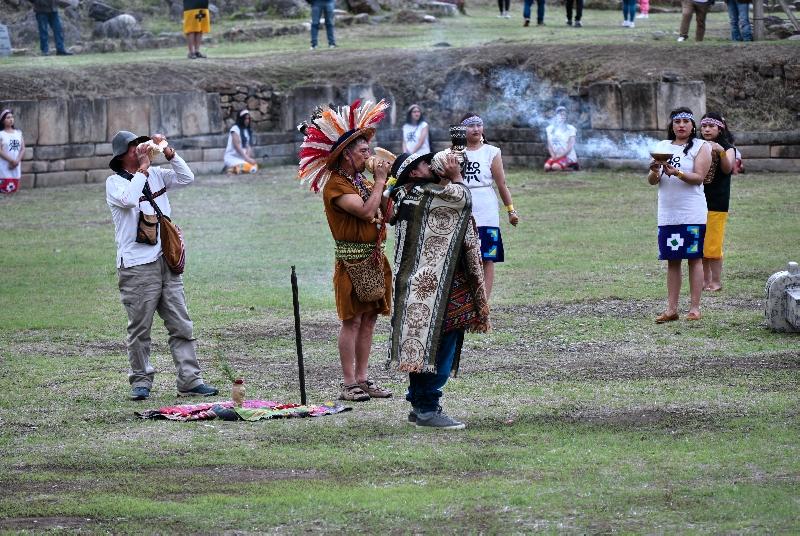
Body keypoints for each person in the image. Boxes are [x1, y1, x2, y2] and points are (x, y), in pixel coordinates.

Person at [105, 130, 218, 400]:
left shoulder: (157, 174)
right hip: (136, 267)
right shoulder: (114, 183)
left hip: (165, 261)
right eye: (134, 147)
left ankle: (190, 380)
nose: (140, 149)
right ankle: (141, 381)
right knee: (140, 328)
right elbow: (130, 200)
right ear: (122, 155)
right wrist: (143, 170)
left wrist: (169, 153)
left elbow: (186, 177)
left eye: (139, 144)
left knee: (182, 325)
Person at [385, 151, 490, 429]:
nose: (430, 164)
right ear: (415, 173)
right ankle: (427, 407)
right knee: (438, 344)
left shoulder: (404, 195)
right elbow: (462, 199)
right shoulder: (426, 195)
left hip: (418, 285)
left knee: (420, 345)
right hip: (433, 287)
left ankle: (419, 401)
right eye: (424, 163)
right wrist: (456, 177)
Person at [297, 100, 392, 402]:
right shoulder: (336, 185)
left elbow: (384, 214)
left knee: (370, 318)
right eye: (363, 151)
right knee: (351, 320)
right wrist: (379, 182)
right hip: (351, 261)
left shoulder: (361, 181)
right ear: (347, 154)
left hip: (374, 256)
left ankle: (363, 379)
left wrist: (394, 186)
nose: (369, 155)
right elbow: (366, 212)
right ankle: (348, 382)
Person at [647, 107, 712, 323]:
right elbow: (652, 181)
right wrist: (655, 170)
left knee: (694, 258)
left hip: (691, 212)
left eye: (686, 121)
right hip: (668, 213)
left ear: (693, 125)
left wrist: (678, 173)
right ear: (672, 125)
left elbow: (699, 177)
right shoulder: (662, 147)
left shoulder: (701, 146)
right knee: (672, 260)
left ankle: (694, 308)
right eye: (677, 122)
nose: (681, 125)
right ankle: (671, 309)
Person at [460, 113, 519, 299]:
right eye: (471, 126)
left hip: (486, 208)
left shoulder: (492, 152)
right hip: (463, 205)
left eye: (479, 125)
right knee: (464, 257)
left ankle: (484, 301)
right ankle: (467, 298)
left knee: (487, 256)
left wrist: (511, 211)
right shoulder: (454, 153)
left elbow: (501, 184)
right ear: (463, 130)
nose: (476, 129)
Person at [699, 112, 736, 292]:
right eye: (704, 126)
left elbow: (728, 168)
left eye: (711, 126)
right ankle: (704, 281)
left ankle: (716, 281)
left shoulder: (728, 147)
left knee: (713, 244)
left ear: (720, 128)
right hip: (697, 201)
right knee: (700, 245)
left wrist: (720, 152)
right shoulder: (697, 145)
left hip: (717, 202)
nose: (707, 129)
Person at [544, 106, 579, 171]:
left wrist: (559, 157)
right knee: (546, 167)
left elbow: (569, 147)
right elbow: (549, 146)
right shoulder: (550, 129)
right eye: (560, 114)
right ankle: (558, 166)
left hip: (568, 156)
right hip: (556, 156)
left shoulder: (571, 128)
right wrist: (553, 156)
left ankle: (573, 168)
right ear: (556, 116)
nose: (562, 116)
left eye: (564, 114)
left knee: (555, 167)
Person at [224, 110, 258, 174]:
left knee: (254, 166)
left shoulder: (247, 130)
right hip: (232, 158)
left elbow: (248, 146)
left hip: (242, 159)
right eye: (245, 119)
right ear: (241, 119)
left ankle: (235, 169)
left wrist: (248, 158)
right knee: (251, 168)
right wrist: (247, 159)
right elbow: (237, 146)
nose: (247, 120)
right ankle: (232, 169)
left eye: (248, 118)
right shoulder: (235, 129)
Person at [0, 109, 24, 195]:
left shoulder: (18, 133)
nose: (11, 119)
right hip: (4, 164)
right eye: (8, 117)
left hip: (16, 164)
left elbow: (22, 148)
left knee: (14, 190)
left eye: (12, 117)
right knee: (4, 190)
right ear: (3, 121)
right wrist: (11, 161)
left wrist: (17, 161)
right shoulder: (1, 134)